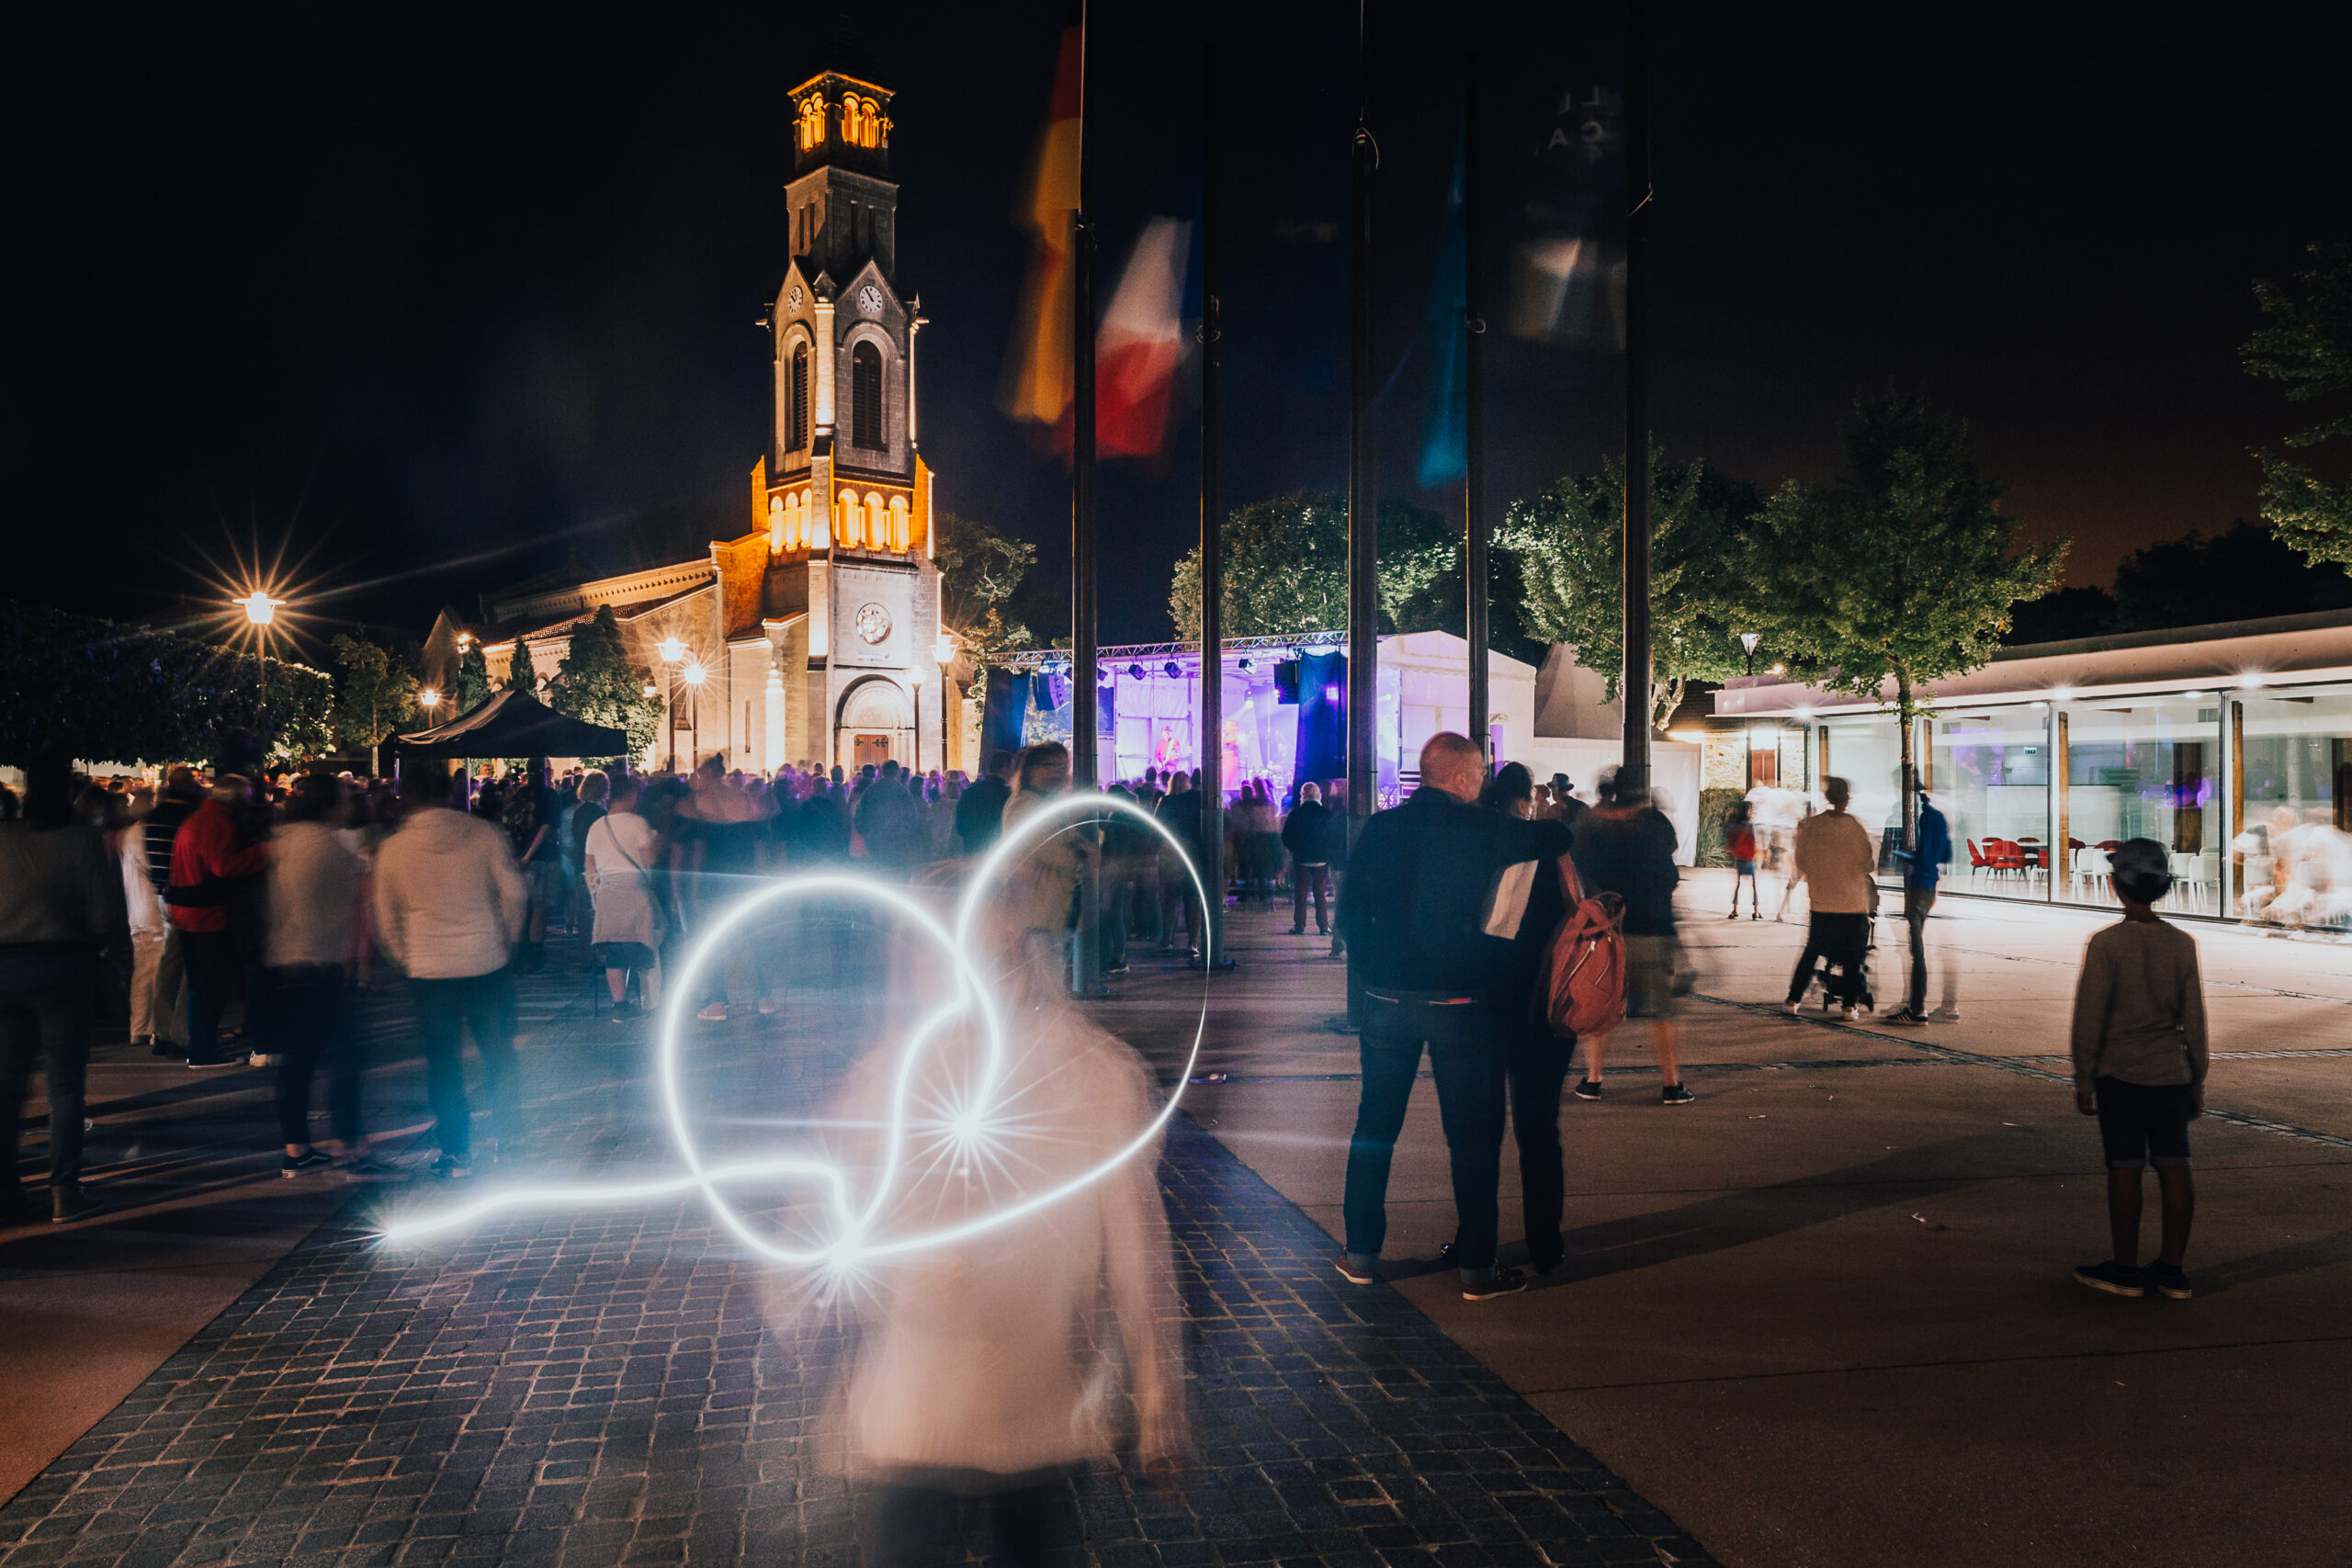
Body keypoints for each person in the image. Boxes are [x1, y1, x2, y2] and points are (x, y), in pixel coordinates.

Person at [835, 844, 1183, 1566]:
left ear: (1021, 958)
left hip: (1032, 1416)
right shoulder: (889, 1073)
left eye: (987, 958)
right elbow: (838, 1219)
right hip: (918, 1412)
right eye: (940, 959)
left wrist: (1159, 1395)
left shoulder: (1089, 1073)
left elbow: (1135, 1244)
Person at [1333, 732, 1572, 1301]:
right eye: (1480, 775)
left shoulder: (1381, 828)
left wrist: (1373, 976)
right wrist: (1549, 810)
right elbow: (1558, 836)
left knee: (1374, 1128)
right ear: (1463, 778)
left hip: (1387, 1000)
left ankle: (1362, 1253)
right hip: (1460, 1001)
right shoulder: (1484, 829)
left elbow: (1348, 914)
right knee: (1469, 1137)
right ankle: (1478, 1271)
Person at [374, 762, 530, 1179]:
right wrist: (509, 941)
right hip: (485, 959)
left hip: (429, 968)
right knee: (499, 1056)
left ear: (407, 798)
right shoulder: (484, 835)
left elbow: (385, 918)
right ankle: (510, 1141)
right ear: (448, 793)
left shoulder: (394, 849)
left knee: (443, 1065)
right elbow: (514, 893)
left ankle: (457, 1153)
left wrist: (407, 957)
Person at [2069, 839, 2208, 1301]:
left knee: (2125, 1167)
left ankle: (2124, 1268)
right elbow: (2196, 1018)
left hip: (2120, 1075)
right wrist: (2197, 1077)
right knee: (2175, 1166)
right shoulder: (2181, 944)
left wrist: (2084, 1077)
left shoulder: (2107, 945)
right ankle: (2172, 1269)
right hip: (2171, 1073)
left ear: (2116, 886)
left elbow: (2090, 1016)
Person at [0, 757, 127, 1224]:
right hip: (62, 966)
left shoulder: (4, 838)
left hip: (5, 966)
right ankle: (64, 1190)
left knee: (7, 1086)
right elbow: (102, 916)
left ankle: (6, 1191)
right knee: (65, 1083)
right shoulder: (81, 840)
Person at [266, 773, 386, 1177]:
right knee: (347, 1055)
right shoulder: (329, 846)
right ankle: (350, 1143)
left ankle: (297, 1148)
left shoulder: (280, 842)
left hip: (285, 963)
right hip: (319, 964)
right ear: (331, 805)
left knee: (297, 1060)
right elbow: (346, 903)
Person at [1569, 773, 1692, 1104]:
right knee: (1661, 1012)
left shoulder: (1596, 829)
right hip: (1653, 930)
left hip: (1608, 933)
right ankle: (1671, 1084)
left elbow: (1581, 872)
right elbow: (1670, 875)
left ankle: (1593, 1080)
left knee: (1601, 1006)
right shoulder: (1655, 827)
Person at [166, 770, 272, 1068]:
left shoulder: (197, 819)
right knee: (211, 988)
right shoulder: (219, 823)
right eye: (248, 797)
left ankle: (200, 1047)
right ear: (237, 799)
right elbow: (224, 866)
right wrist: (263, 852)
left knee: (199, 986)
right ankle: (203, 1050)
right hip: (208, 917)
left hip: (186, 914)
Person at [1783, 776, 1878, 1021]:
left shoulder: (1812, 826)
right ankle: (1848, 1006)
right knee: (1852, 956)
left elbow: (1802, 860)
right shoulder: (1854, 826)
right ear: (1846, 798)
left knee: (1812, 950)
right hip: (1852, 902)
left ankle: (1793, 999)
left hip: (1822, 901)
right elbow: (1867, 863)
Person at [585, 774, 665, 1019]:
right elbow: (650, 860)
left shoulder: (597, 826)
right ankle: (651, 1003)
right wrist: (660, 838)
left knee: (614, 952)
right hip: (635, 890)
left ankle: (620, 1006)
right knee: (645, 944)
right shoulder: (638, 823)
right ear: (630, 795)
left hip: (608, 893)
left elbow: (590, 866)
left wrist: (595, 898)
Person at [1882, 790, 1954, 1024]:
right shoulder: (1939, 818)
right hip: (1930, 884)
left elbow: (1925, 856)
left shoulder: (1925, 819)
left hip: (1919, 885)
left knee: (1917, 950)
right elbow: (1946, 853)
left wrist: (1907, 856)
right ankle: (1924, 1004)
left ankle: (1917, 1007)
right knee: (1919, 949)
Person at [501, 757, 561, 971]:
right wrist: (529, 855)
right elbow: (547, 827)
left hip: (517, 858)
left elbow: (506, 824)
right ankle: (535, 957)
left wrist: (516, 856)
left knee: (522, 907)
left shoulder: (519, 795)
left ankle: (518, 955)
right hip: (541, 857)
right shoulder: (550, 796)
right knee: (538, 908)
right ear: (547, 772)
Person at [1153, 772, 1205, 956]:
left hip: (1171, 854)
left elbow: (1156, 827)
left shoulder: (1167, 801)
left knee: (1170, 899)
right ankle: (1192, 944)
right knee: (1194, 900)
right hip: (1196, 856)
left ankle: (1167, 940)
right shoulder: (1204, 801)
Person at [1282, 782, 1338, 936]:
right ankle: (1324, 926)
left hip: (1301, 859)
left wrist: (1296, 850)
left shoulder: (1295, 814)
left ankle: (1299, 926)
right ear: (1318, 795)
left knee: (1300, 894)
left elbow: (1286, 837)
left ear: (1303, 795)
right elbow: (1332, 837)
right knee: (1320, 894)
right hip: (1321, 859)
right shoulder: (1326, 813)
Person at [956, 750, 1014, 859]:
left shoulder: (969, 791)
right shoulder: (1008, 794)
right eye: (1012, 767)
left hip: (972, 851)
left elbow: (961, 827)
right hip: (997, 853)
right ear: (1005, 768)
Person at [1725, 800, 1761, 919]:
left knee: (1738, 884)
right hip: (1749, 859)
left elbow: (1731, 843)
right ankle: (1756, 912)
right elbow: (1753, 843)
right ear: (1748, 811)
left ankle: (1735, 910)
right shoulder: (1750, 826)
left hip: (1739, 859)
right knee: (1754, 885)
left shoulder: (1735, 825)